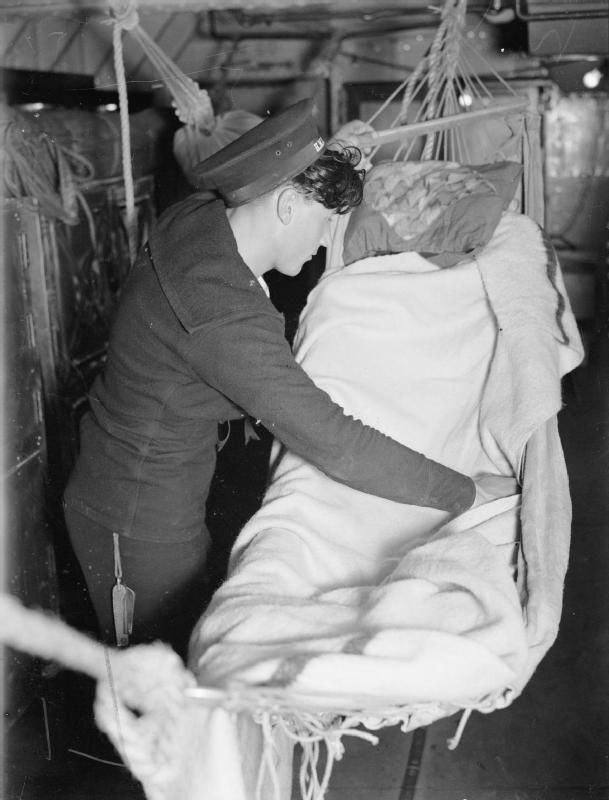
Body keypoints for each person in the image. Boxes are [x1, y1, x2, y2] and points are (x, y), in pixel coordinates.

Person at [63, 98, 476, 658]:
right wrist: (462, 490)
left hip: (124, 480)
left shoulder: (197, 218)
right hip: (138, 522)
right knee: (163, 677)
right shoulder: (220, 315)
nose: (328, 241)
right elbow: (337, 442)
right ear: (284, 204)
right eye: (327, 221)